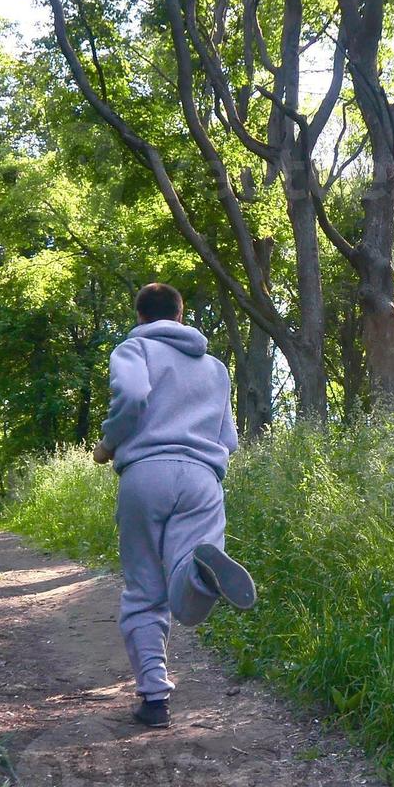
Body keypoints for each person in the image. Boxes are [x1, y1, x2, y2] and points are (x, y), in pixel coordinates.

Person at [93, 283, 258, 729]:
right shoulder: (215, 367)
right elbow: (230, 440)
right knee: (186, 596)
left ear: (141, 316)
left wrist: (108, 444)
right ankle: (201, 573)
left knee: (146, 591)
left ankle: (154, 700)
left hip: (145, 473)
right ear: (181, 316)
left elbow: (130, 396)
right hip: (203, 478)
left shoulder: (133, 349)